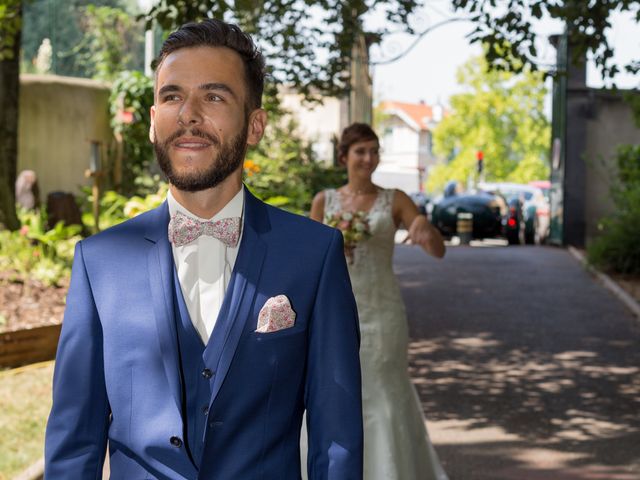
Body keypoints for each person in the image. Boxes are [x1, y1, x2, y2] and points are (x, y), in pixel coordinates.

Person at [45, 19, 363, 480]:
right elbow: (74, 442)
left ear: (255, 125)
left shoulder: (313, 255)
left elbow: (337, 439)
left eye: (214, 96)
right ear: (154, 123)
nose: (188, 113)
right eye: (172, 96)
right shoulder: (100, 262)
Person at [309, 123, 448, 480]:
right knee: (335, 391)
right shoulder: (324, 202)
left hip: (382, 313)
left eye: (374, 151)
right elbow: (309, 264)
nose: (368, 159)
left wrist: (424, 229)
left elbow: (438, 251)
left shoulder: (396, 199)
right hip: (335, 312)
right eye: (360, 151)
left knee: (384, 389)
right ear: (344, 157)